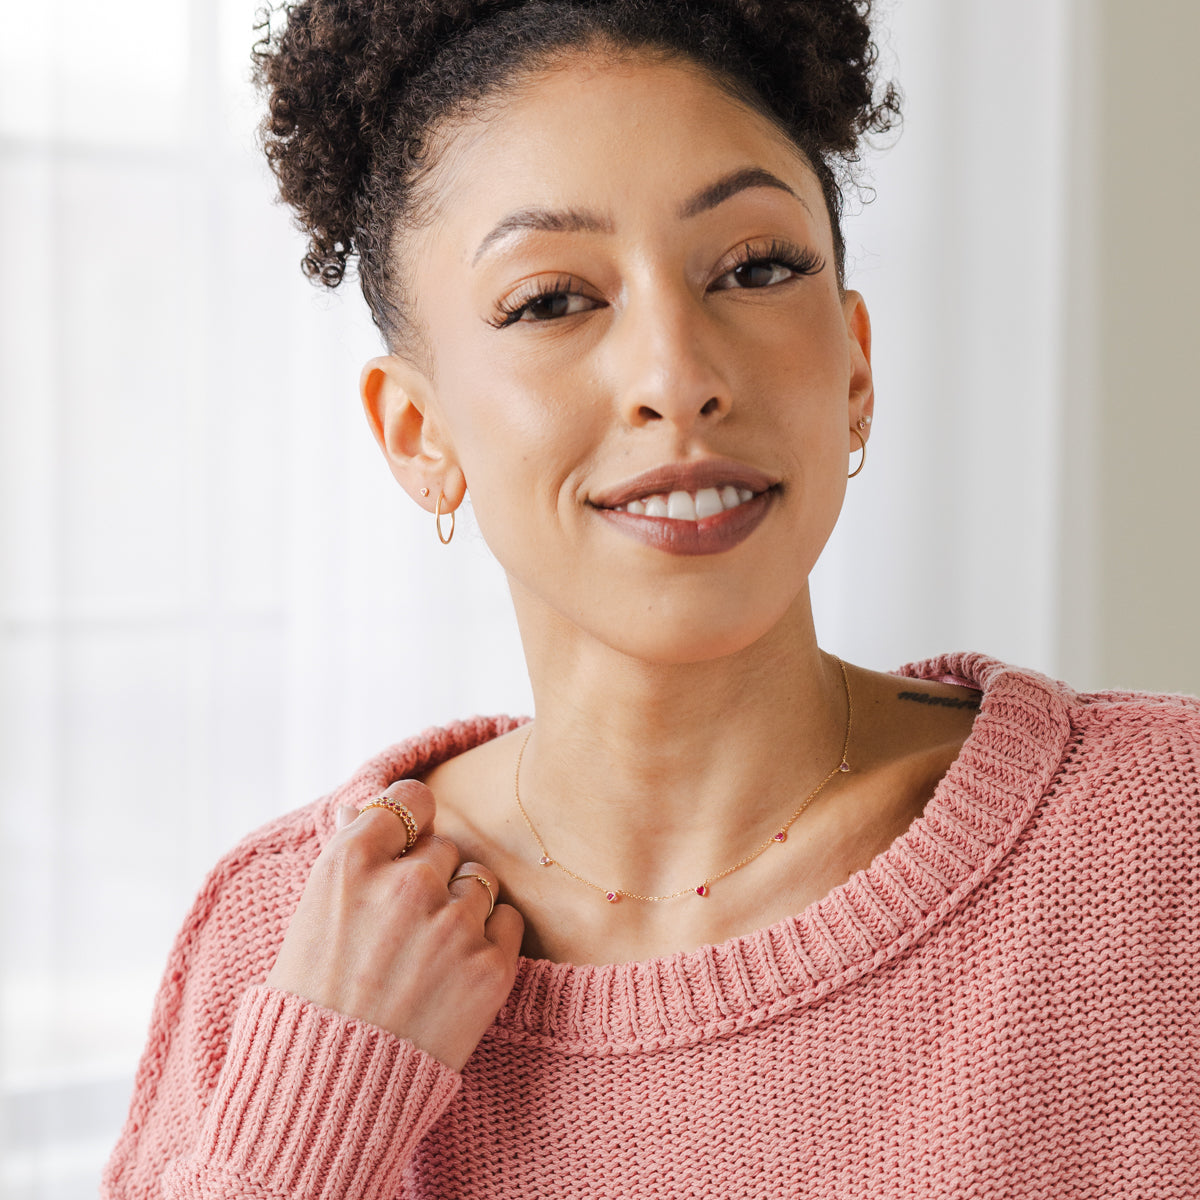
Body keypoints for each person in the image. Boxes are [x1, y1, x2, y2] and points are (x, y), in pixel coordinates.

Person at [101, 1, 1200, 1196]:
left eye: (755, 268)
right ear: (419, 435)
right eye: (552, 301)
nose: (678, 376)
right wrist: (314, 1111)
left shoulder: (1161, 839)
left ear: (855, 367)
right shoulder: (283, 946)